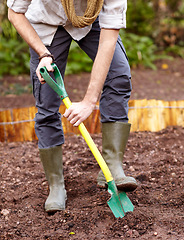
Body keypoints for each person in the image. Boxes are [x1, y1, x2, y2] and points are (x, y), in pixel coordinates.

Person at [7, 0, 138, 213]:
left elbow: (107, 41)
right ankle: (56, 185)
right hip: (45, 24)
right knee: (47, 103)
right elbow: (14, 13)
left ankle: (112, 164)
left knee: (119, 77)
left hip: (89, 21)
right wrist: (43, 54)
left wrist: (89, 101)